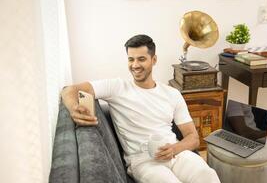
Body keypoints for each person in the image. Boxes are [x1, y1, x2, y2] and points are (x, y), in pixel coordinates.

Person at [61, 34, 220, 183]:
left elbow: (193, 137)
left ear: (154, 59)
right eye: (131, 59)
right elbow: (69, 90)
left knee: (208, 175)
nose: (135, 65)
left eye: (141, 59)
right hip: (143, 161)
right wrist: (73, 108)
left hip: (176, 154)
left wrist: (174, 148)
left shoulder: (172, 94)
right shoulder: (116, 87)